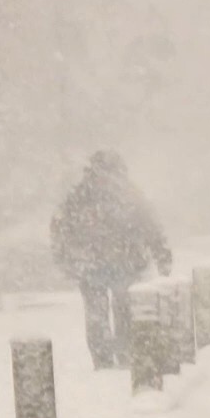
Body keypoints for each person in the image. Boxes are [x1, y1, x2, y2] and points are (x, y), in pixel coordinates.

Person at [51, 150, 172, 368]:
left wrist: (66, 258)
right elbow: (150, 224)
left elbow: (60, 228)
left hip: (94, 263)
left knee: (98, 313)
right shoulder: (128, 194)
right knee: (122, 309)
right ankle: (123, 353)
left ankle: (104, 357)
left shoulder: (79, 195)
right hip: (123, 261)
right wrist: (161, 253)